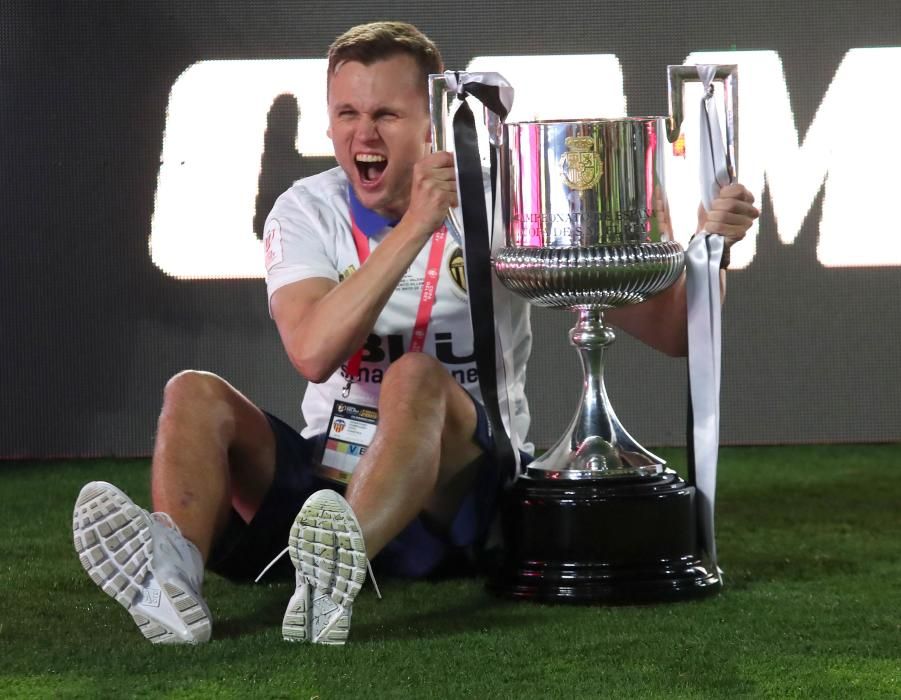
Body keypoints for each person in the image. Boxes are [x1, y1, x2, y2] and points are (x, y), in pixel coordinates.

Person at [72, 21, 760, 646]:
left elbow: (673, 334)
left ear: (432, 123)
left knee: (413, 376)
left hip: (456, 487)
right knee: (193, 392)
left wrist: (706, 252)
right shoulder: (306, 209)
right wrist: (413, 228)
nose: (361, 135)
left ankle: (340, 561)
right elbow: (313, 352)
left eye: (385, 115)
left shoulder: (496, 204)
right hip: (329, 474)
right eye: (346, 113)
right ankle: (170, 578)